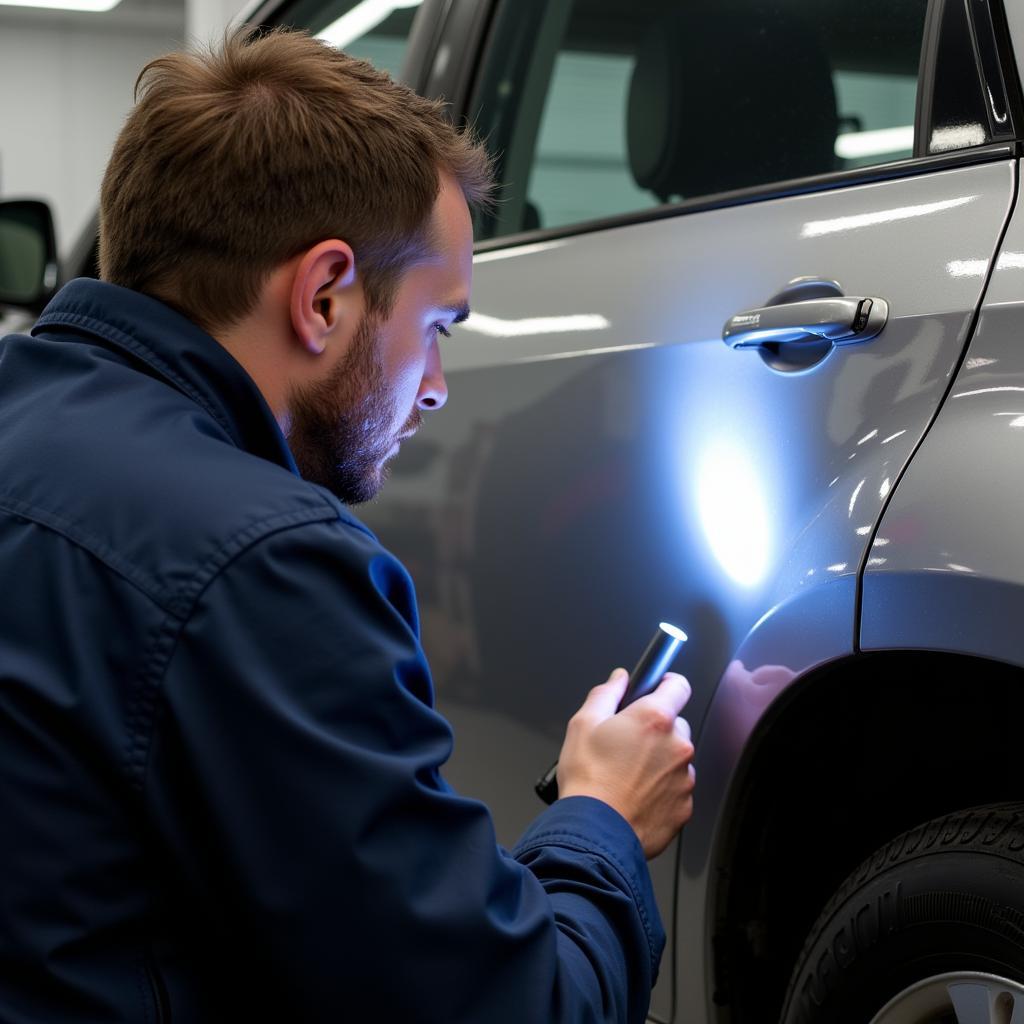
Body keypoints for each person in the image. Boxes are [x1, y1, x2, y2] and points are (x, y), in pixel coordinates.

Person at [0, 29, 696, 1023]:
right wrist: (602, 821)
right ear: (324, 294)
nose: (439, 390)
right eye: (438, 327)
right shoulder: (263, 562)